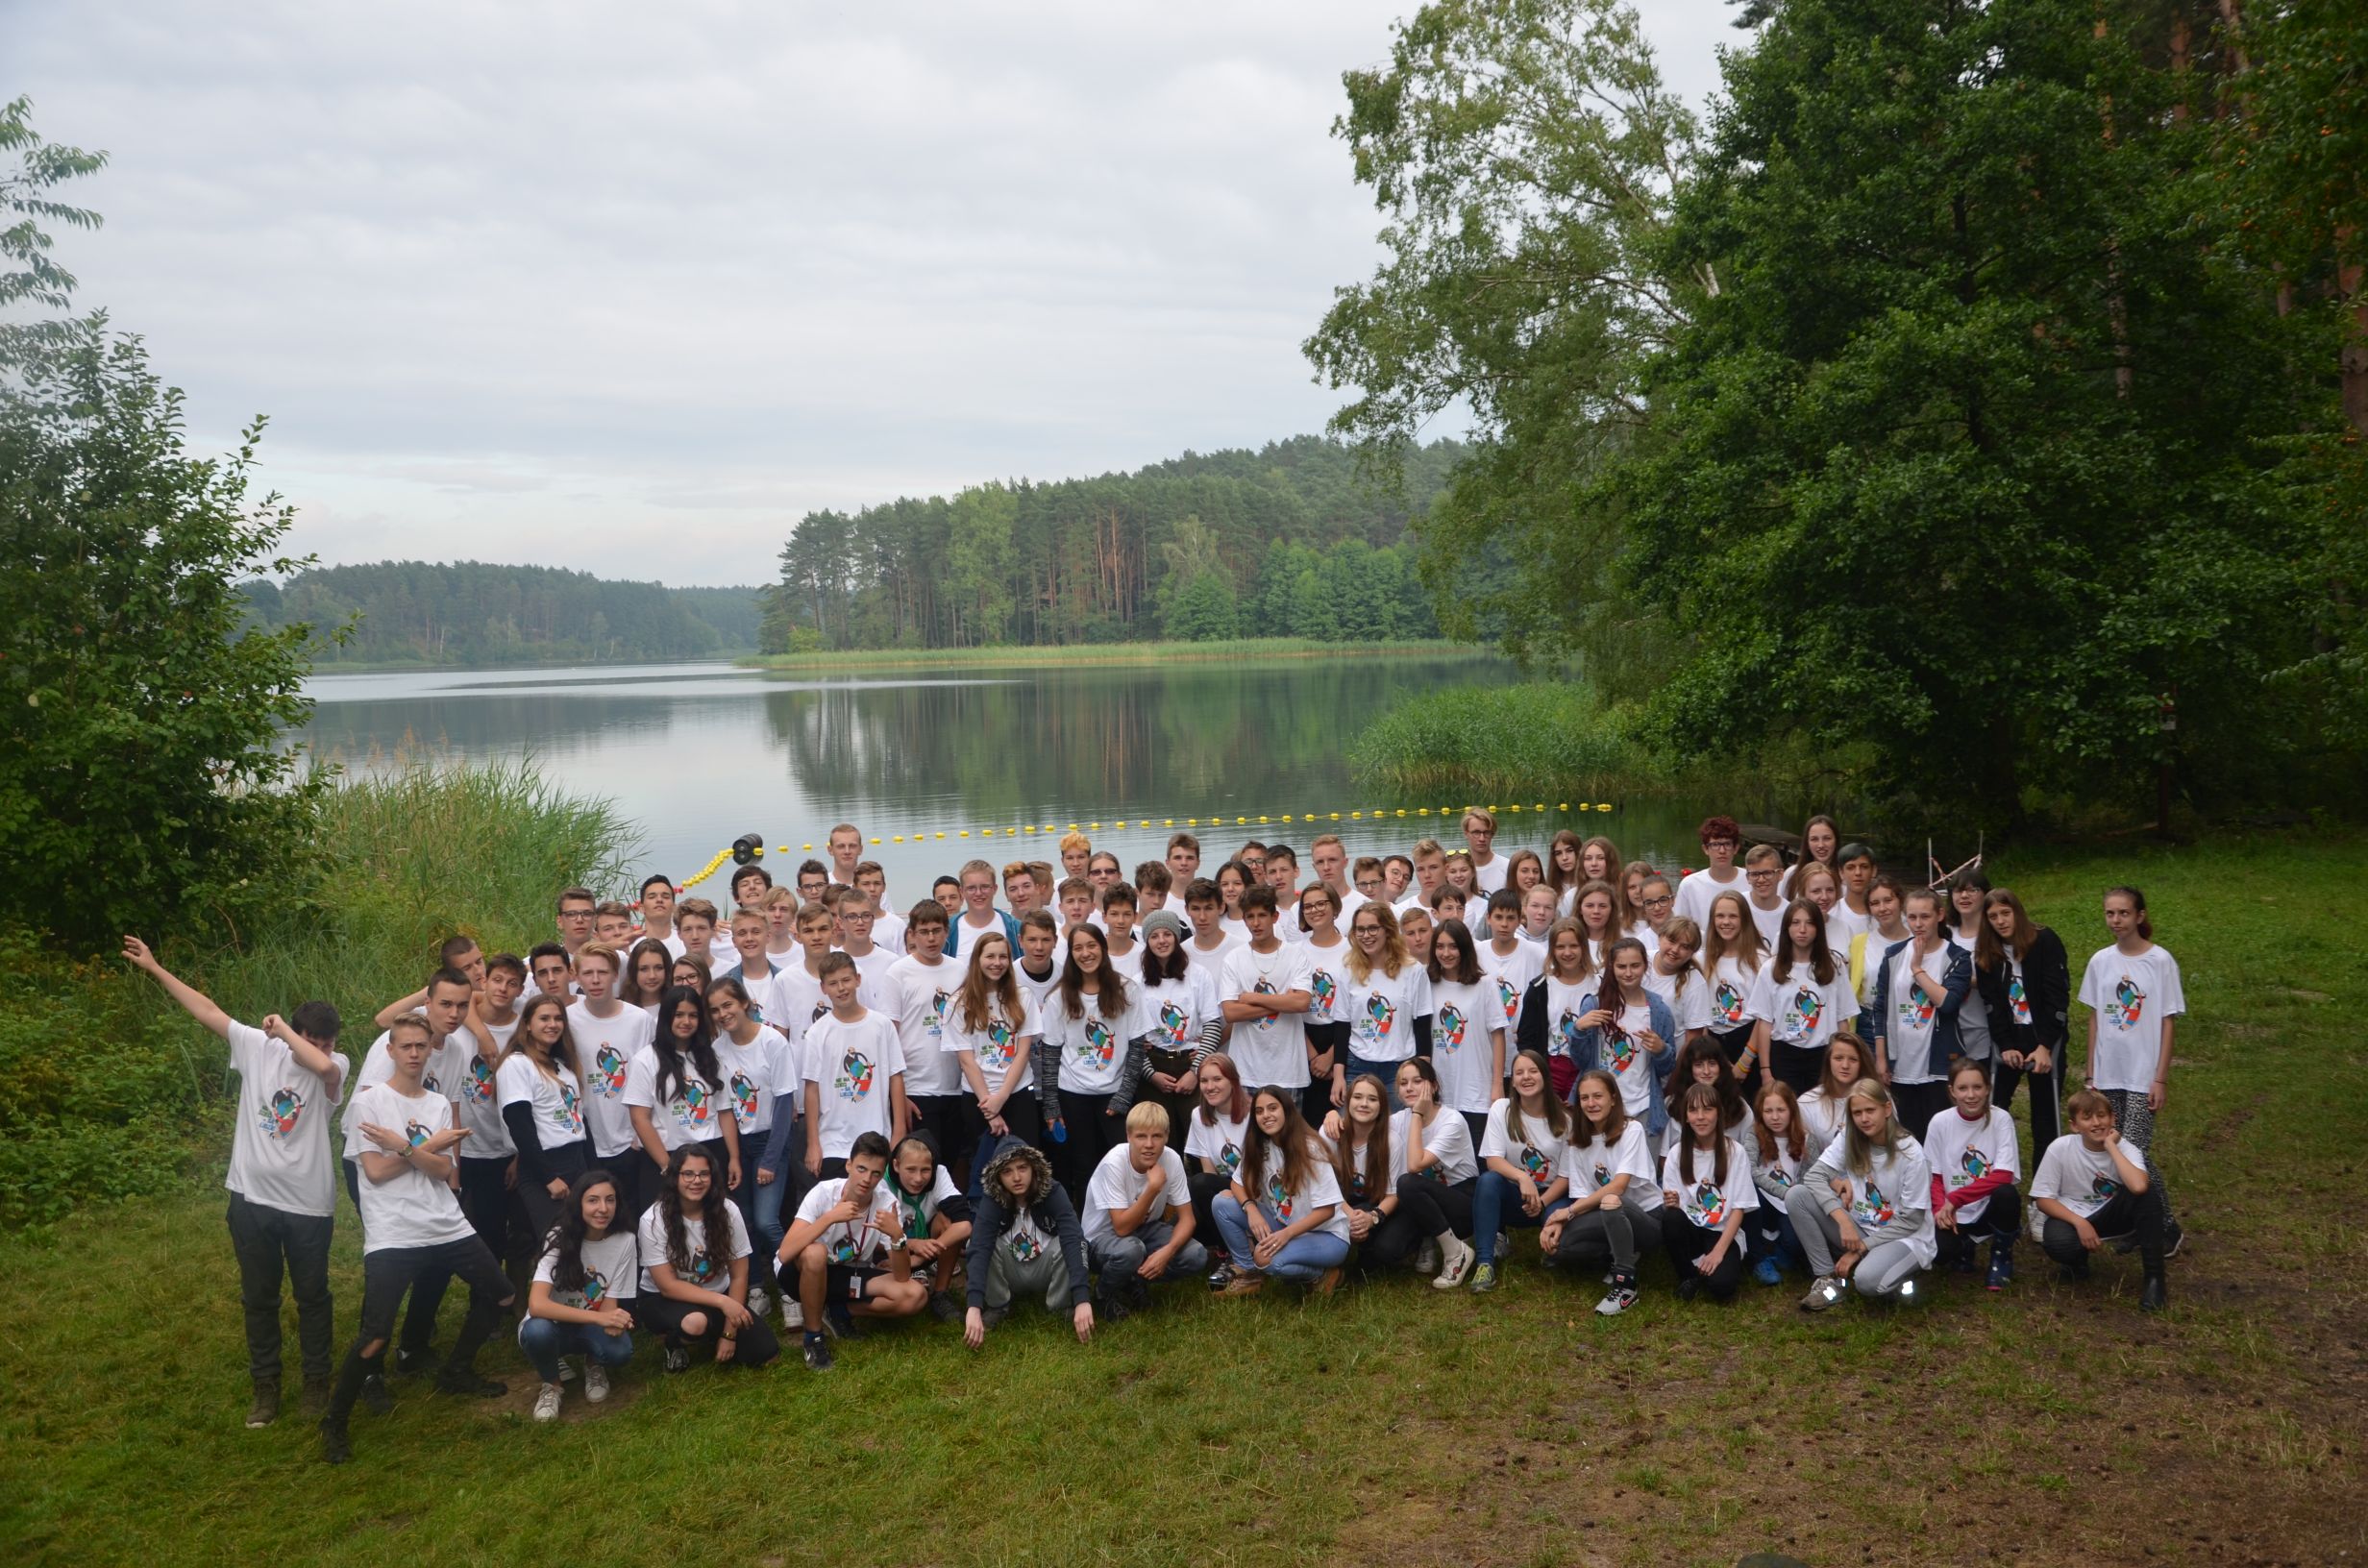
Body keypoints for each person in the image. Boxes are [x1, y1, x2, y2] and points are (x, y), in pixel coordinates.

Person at [122, 937, 348, 1427]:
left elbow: (324, 1067)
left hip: (309, 1204)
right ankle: (266, 1387)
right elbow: (207, 1010)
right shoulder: (258, 1048)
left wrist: (285, 1030)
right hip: (251, 1199)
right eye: (315, 1039)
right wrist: (156, 968)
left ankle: (316, 1383)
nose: (324, 1049)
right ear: (298, 1034)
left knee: (313, 1297)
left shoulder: (334, 1063)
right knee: (259, 1298)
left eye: (329, 1041)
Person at [321, 1016, 515, 1464]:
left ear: (430, 1051)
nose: (413, 1053)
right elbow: (375, 1172)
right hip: (393, 1230)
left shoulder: (438, 1105)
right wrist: (426, 1149)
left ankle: (456, 1370)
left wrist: (405, 1147)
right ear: (390, 1051)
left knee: (503, 1295)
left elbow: (445, 1171)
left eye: (420, 1046)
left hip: (445, 1222)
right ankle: (334, 1421)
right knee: (375, 1336)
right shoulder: (369, 1103)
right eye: (405, 1046)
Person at [2075, 886, 2184, 1251]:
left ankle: (2166, 1228)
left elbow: (2167, 1022)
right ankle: (2139, 1223)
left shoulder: (2160, 961)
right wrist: (2091, 1075)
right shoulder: (2100, 961)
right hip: (2108, 1076)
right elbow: (2095, 1019)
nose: (2116, 920)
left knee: (2133, 1152)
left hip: (2142, 1077)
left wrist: (2160, 1078)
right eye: (2110, 913)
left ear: (2140, 916)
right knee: (2112, 1150)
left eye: (2123, 913)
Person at [777, 1130, 929, 1365]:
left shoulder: (886, 1202)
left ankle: (838, 1311)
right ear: (849, 1165)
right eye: (861, 1169)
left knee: (915, 1295)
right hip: (801, 1275)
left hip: (850, 1273)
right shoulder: (824, 1193)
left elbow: (902, 1277)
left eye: (875, 1173)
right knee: (815, 1253)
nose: (867, 1179)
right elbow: (785, 1253)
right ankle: (813, 1338)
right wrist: (830, 1218)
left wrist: (898, 1236)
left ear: (882, 1175)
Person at [1790, 1078, 1936, 1311]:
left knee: (1866, 1282)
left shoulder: (1911, 1153)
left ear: (1886, 1109)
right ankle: (1828, 1278)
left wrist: (1861, 1248)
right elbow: (1814, 1176)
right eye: (1857, 1113)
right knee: (1797, 1196)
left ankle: (1894, 1275)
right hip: (1861, 1227)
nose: (1864, 1119)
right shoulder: (1850, 1135)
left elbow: (1911, 1221)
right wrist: (1843, 1220)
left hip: (1903, 1237)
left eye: (1870, 1110)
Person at [636, 1145, 777, 1371]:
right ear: (674, 1177)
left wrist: (729, 1334)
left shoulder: (728, 1210)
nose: (697, 1180)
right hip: (664, 1299)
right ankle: (674, 1342)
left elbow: (739, 1275)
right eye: (688, 1174)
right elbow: (668, 1286)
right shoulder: (653, 1219)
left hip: (716, 1292)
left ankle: (710, 1333)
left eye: (704, 1174)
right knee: (695, 1323)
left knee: (765, 1352)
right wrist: (725, 1303)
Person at [2032, 1088, 2171, 1311]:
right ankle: (2076, 1263)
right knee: (2059, 1243)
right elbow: (2043, 1199)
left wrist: (2111, 1147)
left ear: (2112, 1119)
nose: (2096, 1123)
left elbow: (2138, 1186)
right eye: (2087, 1118)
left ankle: (2155, 1279)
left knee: (2148, 1194)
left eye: (2101, 1116)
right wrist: (2080, 1223)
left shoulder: (2127, 1149)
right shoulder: (2060, 1148)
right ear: (2074, 1125)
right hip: (2075, 1216)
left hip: (2114, 1214)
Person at [706, 975, 798, 1316]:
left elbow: (785, 1103)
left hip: (771, 1140)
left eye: (728, 1005)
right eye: (715, 1010)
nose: (723, 1014)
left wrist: (770, 1160)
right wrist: (733, 1157)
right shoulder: (717, 1050)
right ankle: (757, 1287)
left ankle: (793, 1286)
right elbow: (725, 1110)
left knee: (765, 1221)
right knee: (742, 1221)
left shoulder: (772, 1041)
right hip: (737, 1144)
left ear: (744, 1002)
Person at [1542, 1068, 1664, 1315]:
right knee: (1560, 1246)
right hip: (1606, 1213)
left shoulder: (1631, 1130)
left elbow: (1619, 1186)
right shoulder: (1578, 1140)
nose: (1591, 1103)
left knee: (1610, 1199)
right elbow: (1583, 1197)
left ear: (1613, 1099)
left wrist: (1568, 1212)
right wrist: (1558, 1222)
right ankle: (1616, 1254)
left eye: (1598, 1096)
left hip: (1647, 1218)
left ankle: (1625, 1285)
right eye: (1584, 1098)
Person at [1212, 1086, 1353, 1297]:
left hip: (1327, 1235)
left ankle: (1322, 1275)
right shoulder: (1259, 1145)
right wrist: (1251, 1210)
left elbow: (1327, 1211)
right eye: (1259, 1111)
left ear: (1286, 1110)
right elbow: (1236, 1183)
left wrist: (1286, 1235)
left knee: (1268, 1260)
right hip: (1285, 1223)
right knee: (1222, 1203)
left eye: (1272, 1108)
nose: (1266, 1115)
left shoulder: (1310, 1148)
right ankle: (1248, 1273)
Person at [520, 1168, 636, 1421]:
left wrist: (613, 1320)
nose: (603, 1208)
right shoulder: (558, 1235)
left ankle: (593, 1364)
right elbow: (537, 1305)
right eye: (593, 1200)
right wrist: (601, 1319)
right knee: (537, 1332)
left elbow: (609, 1301)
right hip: (552, 1324)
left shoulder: (625, 1240)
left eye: (610, 1200)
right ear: (578, 1204)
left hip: (589, 1324)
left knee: (620, 1351)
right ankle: (552, 1384)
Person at [1039, 923, 1141, 1203]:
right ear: (1070, 954)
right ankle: (1085, 1226)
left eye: (1092, 945)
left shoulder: (1127, 989)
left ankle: (1123, 1222)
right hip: (1073, 1095)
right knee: (1083, 1168)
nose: (1086, 953)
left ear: (1104, 948)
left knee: (1122, 1166)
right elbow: (1050, 1054)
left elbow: (1137, 1047)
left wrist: (1124, 1096)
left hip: (1115, 1095)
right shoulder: (1058, 996)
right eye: (1078, 948)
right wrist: (1051, 1106)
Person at [495, 993, 592, 1282]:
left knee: (582, 1241)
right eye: (544, 1018)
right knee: (557, 1247)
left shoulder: (562, 1065)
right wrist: (548, 1176)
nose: (553, 1024)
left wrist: (593, 1171)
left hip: (576, 1159)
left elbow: (579, 1121)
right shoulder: (517, 1064)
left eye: (558, 1018)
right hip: (546, 1165)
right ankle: (538, 1305)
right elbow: (519, 1123)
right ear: (527, 1024)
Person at [963, 1140, 1096, 1348]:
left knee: (1070, 1241)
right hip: (1010, 1269)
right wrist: (974, 1306)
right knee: (977, 1241)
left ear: (1034, 1168)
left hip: (1046, 1267)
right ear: (998, 1176)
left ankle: (1060, 1306)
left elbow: (1073, 1238)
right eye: (1007, 1171)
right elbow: (979, 1247)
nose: (1016, 1177)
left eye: (1022, 1168)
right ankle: (998, 1306)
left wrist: (1082, 1299)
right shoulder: (992, 1199)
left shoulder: (1053, 1191)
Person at [1083, 1103, 1209, 1319]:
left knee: (1196, 1255)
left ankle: (1134, 1280)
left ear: (1167, 1136)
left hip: (1145, 1231)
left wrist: (1167, 1252)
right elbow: (1121, 1228)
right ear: (1128, 1136)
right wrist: (1152, 1188)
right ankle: (1104, 1293)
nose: (1149, 1145)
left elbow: (1188, 1220)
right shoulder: (1114, 1162)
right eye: (1141, 1136)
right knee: (1132, 1251)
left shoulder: (1171, 1159)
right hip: (1101, 1240)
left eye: (1157, 1136)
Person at [625, 986, 741, 1215]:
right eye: (679, 1015)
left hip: (711, 1152)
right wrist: (667, 1167)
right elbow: (640, 1119)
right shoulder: (645, 1060)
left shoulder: (710, 1057)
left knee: (715, 1223)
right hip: (666, 1156)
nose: (686, 1021)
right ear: (666, 1016)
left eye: (693, 1015)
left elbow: (724, 1111)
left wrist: (734, 1158)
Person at [1468, 1049, 1575, 1291]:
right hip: (1515, 1194)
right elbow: (1493, 1160)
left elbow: (1565, 1176)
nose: (1526, 1077)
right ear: (1513, 1081)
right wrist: (1522, 1177)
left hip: (1551, 1196)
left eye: (1533, 1071)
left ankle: (1552, 1249)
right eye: (1519, 1073)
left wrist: (1542, 1202)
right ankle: (1485, 1262)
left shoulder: (1565, 1120)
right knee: (1488, 1181)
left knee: (1560, 1250)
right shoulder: (1501, 1109)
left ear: (1545, 1077)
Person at [1562, 938, 1679, 1155]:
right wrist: (1578, 1030)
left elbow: (1667, 1067)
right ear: (1611, 968)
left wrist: (1661, 1050)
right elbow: (1580, 1061)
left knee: (1642, 1174)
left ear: (1645, 966)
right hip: (1600, 1106)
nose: (1628, 973)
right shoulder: (1595, 1004)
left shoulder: (1658, 1009)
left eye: (1635, 966)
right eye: (1621, 966)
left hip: (1644, 1108)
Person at [1976, 887, 2070, 1154]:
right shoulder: (1986, 951)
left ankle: (2045, 1179)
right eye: (1993, 916)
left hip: (2043, 1037)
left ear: (2017, 912)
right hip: (2010, 1038)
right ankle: (1998, 1170)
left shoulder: (2044, 940)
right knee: (1994, 1109)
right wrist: (2005, 1044)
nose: (2000, 921)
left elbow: (2057, 998)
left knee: (2045, 1119)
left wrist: (2045, 1045)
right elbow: (1991, 1004)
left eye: (2005, 913)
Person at [802, 951, 910, 1180]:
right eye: (833, 983)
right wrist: (813, 1143)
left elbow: (895, 1078)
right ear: (823, 988)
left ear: (857, 980)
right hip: (833, 1143)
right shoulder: (817, 1033)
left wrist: (898, 1131)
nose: (841, 988)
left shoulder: (882, 1025)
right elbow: (811, 1090)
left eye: (846, 980)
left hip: (877, 1138)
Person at [948, 931, 1044, 1190]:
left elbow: (1023, 1052)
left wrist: (1001, 1097)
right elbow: (966, 1061)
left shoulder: (1023, 996)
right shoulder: (958, 1002)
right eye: (990, 956)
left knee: (1027, 1169)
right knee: (987, 1173)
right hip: (978, 1099)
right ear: (977, 960)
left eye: (1003, 957)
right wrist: (990, 1110)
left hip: (1018, 1093)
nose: (997, 963)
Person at [1872, 888, 1971, 1137]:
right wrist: (1881, 1058)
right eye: (1912, 917)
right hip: (1900, 1063)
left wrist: (1917, 969)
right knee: (1906, 1136)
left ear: (1940, 915)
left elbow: (1947, 1003)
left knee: (1939, 1136)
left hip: (1939, 1064)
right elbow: (1881, 1009)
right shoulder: (1893, 955)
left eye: (1925, 917)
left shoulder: (1957, 957)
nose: (1918, 924)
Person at [567, 944, 656, 1215]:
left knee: (634, 1216)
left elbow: (653, 1079)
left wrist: (643, 1133)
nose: (595, 980)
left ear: (616, 975)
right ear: (576, 976)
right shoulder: (566, 1020)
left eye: (603, 973)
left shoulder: (640, 1020)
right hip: (586, 1139)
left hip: (632, 1140)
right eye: (588, 973)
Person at [1924, 1058, 2022, 1291]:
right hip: (1953, 1211)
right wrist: (1940, 1210)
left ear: (1987, 1088)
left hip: (1986, 1206)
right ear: (1952, 1091)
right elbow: (1933, 1176)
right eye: (1963, 1088)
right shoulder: (1940, 1122)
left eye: (1977, 1087)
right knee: (1940, 1253)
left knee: (2007, 1194)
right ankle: (1964, 1246)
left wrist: (1955, 1199)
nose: (1971, 1095)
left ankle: (2001, 1256)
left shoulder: (2001, 1119)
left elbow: (2004, 1174)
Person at [886, 900, 968, 1178]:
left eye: (936, 931)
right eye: (924, 932)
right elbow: (889, 1038)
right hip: (916, 1088)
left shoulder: (960, 970)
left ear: (947, 932)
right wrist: (899, 1096)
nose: (931, 938)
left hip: (955, 1086)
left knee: (951, 1164)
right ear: (912, 934)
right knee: (921, 1169)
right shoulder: (898, 972)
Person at [1660, 1082, 1759, 1302]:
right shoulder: (1676, 1153)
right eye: (1693, 1110)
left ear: (1719, 1113)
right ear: (1686, 1117)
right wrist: (1672, 1202)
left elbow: (1738, 1209)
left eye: (1707, 1109)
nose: (1700, 1117)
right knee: (1671, 1218)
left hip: (1722, 1232)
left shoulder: (1735, 1152)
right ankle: (1688, 1275)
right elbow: (1676, 1209)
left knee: (1722, 1288)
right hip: (1692, 1229)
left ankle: (1709, 1268)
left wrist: (1718, 1252)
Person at [1134, 909, 1221, 1152]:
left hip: (1191, 1061)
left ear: (1176, 937)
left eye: (1167, 934)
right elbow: (1134, 1036)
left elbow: (1212, 1024)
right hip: (1155, 1065)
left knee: (1200, 1139)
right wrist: (1151, 1074)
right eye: (1154, 936)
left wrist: (1195, 1071)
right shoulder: (1138, 982)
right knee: (1159, 1140)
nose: (1161, 941)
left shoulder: (1198, 975)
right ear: (1147, 941)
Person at [1746, 900, 1852, 1094]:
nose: (1802, 929)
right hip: (1784, 1054)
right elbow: (1765, 1023)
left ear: (1818, 928)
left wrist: (1842, 1060)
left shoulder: (1834, 966)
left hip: (1823, 1054)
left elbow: (1842, 1020)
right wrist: (1765, 1070)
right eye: (1795, 922)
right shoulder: (1770, 968)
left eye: (1809, 923)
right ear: (1786, 927)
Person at [1219, 885, 1314, 1094]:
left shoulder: (1295, 955)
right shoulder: (1234, 959)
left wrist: (1252, 998)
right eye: (1250, 917)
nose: (1256, 923)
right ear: (1244, 920)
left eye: (1262, 915)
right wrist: (1284, 1002)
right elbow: (1231, 1013)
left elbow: (1302, 1003)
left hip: (1289, 1073)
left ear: (1275, 917)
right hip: (1245, 1071)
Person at [1339, 900, 1429, 1111]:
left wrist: (1424, 1076)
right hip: (1357, 1065)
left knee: (1400, 1128)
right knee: (1352, 1128)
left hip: (1400, 1068)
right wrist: (1338, 1076)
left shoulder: (1412, 970)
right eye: (1360, 929)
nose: (1366, 935)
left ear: (1388, 930)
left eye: (1373, 928)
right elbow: (1342, 1026)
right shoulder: (1348, 970)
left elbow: (1423, 1025)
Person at [881, 1135, 972, 1321]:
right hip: (888, 1251)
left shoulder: (939, 1173)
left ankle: (940, 1294)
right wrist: (912, 1244)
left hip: (925, 1251)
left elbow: (964, 1224)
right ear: (896, 1165)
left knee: (948, 1222)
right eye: (911, 1169)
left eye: (925, 1170)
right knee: (909, 1295)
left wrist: (919, 1258)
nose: (918, 1178)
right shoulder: (882, 1182)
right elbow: (872, 1233)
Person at [1186, 1052, 1254, 1285]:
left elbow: (1259, 1172)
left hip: (1253, 1191)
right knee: (1185, 1220)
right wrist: (1218, 1198)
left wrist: (1232, 1191)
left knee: (1199, 1184)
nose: (1210, 1087)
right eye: (1204, 1081)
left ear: (1233, 1081)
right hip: (1222, 1190)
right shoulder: (1199, 1115)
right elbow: (1208, 1170)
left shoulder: (1253, 1113)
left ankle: (1235, 1254)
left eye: (1217, 1079)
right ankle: (1231, 1248)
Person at [1422, 918, 1495, 1132]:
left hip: (1476, 1092)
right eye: (1440, 946)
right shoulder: (1426, 982)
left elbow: (1498, 1036)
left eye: (1453, 946)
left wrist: (1497, 1085)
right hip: (1438, 1091)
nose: (1446, 953)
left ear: (1464, 948)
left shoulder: (1485, 984)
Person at [1515, 917, 1597, 1099]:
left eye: (1574, 946)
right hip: (1552, 1067)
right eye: (1560, 947)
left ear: (1584, 947)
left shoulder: (1598, 985)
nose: (1567, 953)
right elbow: (1526, 1040)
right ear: (1552, 949)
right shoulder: (1539, 987)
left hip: (1587, 1068)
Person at [1700, 891, 1767, 1094]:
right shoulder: (1703, 958)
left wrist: (1745, 1060)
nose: (1726, 922)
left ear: (1744, 919)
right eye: (1720, 916)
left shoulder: (1760, 960)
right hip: (1714, 1041)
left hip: (1748, 1039)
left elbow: (1764, 1016)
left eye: (1733, 916)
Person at [1745, 1080, 1811, 1285]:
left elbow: (1811, 1177)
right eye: (1768, 1111)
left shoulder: (1807, 1138)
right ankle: (1758, 1258)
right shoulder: (1754, 1134)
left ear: (1792, 1110)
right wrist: (1784, 1192)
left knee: (1794, 1244)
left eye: (1781, 1110)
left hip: (1790, 1204)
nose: (1775, 1117)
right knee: (1748, 1191)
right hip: (1762, 1199)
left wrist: (1793, 1195)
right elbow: (1750, 1169)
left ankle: (1780, 1249)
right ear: (1760, 1112)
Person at [1295, 883, 1350, 1124]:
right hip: (1305, 1039)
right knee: (1311, 1122)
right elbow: (1292, 1008)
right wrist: (1313, 1057)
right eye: (1308, 906)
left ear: (1335, 907)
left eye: (1321, 904)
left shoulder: (1352, 950)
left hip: (1342, 1038)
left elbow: (1356, 1007)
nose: (1314, 910)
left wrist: (1331, 1056)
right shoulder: (1295, 952)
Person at [1641, 917, 1711, 1052]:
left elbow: (1693, 1040)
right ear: (1660, 937)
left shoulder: (1695, 983)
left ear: (1692, 953)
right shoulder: (1641, 962)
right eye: (1672, 941)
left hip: (1671, 1057)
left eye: (1684, 947)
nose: (1675, 950)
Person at [1797, 1032, 1874, 1153]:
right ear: (1828, 1061)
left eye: (1853, 1060)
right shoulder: (1806, 1103)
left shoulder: (1878, 1098)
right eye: (1838, 1058)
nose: (1845, 1065)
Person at [1672, 816, 1748, 932]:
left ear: (1736, 848)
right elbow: (1679, 929)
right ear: (1705, 849)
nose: (1722, 851)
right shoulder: (1689, 885)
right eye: (1715, 844)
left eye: (1727, 844)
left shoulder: (1750, 880)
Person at [946, 858, 1020, 960]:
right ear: (961, 891)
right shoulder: (948, 930)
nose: (978, 893)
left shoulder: (1015, 928)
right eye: (971, 888)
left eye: (985, 887)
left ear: (995, 889)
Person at [1779, 815, 1841, 900]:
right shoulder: (1792, 873)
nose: (1821, 845)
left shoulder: (1845, 877)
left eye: (1827, 838)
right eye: (1814, 839)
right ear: (1807, 843)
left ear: (1836, 841)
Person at [638, 873, 685, 958]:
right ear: (641, 908)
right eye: (652, 897)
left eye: (665, 897)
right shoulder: (631, 945)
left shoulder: (686, 942)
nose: (659, 900)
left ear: (674, 907)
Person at [1461, 808, 1506, 893]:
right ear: (1466, 834)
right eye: (1476, 833)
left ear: (1493, 834)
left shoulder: (1507, 867)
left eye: (1487, 833)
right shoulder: (1456, 872)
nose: (1482, 839)